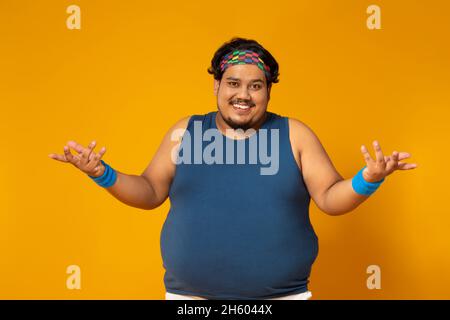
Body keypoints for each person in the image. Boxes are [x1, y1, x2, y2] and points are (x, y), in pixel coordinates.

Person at [49, 37, 418, 300]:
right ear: (216, 86)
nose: (244, 94)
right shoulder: (185, 132)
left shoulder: (294, 134)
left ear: (269, 92)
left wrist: (367, 179)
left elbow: (330, 198)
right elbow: (149, 192)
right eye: (234, 83)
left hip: (281, 299)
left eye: (256, 85)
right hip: (190, 302)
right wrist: (102, 173)